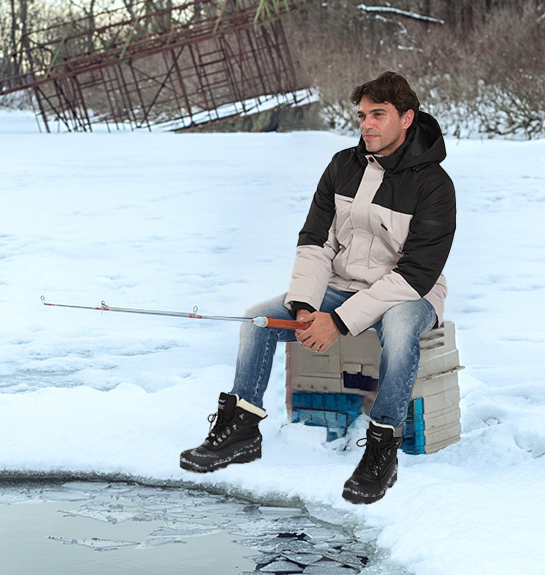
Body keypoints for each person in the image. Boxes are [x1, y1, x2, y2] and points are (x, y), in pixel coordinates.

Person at [179, 72, 456, 505]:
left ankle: (383, 447)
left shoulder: (435, 185)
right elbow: (315, 241)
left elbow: (416, 273)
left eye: (378, 115)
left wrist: (339, 323)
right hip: (339, 287)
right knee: (258, 319)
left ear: (407, 118)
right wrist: (307, 305)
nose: (366, 124)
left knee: (401, 331)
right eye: (362, 115)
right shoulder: (343, 165)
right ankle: (243, 429)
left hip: (408, 293)